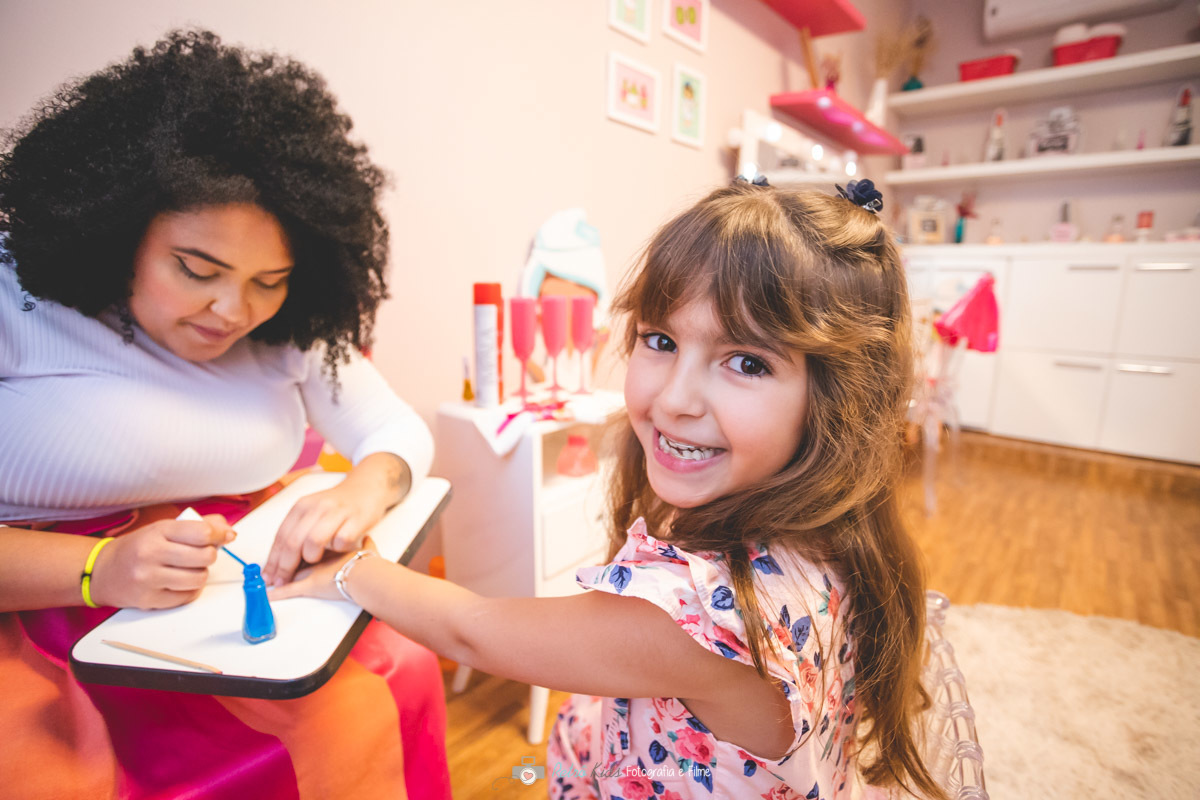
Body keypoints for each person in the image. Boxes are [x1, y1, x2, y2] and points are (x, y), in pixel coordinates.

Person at [274, 179, 945, 799]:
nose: (674, 398)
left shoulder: (694, 612)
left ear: (839, 397)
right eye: (659, 340)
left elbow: (471, 631)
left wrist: (353, 569)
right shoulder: (840, 534)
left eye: (746, 361)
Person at [0, 30, 450, 799]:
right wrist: (98, 569)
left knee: (396, 675)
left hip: (226, 605)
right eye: (197, 269)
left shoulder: (288, 334)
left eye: (269, 280)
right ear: (116, 229)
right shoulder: (19, 304)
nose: (233, 311)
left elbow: (395, 431)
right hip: (43, 605)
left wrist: (360, 490)